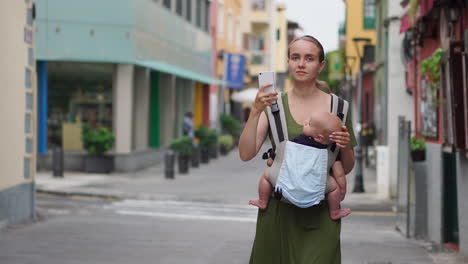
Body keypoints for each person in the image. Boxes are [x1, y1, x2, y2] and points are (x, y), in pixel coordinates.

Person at [239, 35, 356, 263]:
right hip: (278, 214)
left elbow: (347, 166)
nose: (301, 64)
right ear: (289, 62)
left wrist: (346, 145)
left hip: (321, 215)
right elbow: (245, 154)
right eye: (295, 57)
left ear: (321, 66)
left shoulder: (339, 108)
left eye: (309, 58)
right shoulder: (272, 105)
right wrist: (254, 111)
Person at [248, 111, 351, 220]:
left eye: (309, 124)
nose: (305, 122)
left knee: (266, 175)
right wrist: (342, 191)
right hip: (315, 192)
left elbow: (275, 159)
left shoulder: (295, 142)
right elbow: (340, 175)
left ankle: (263, 201)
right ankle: (334, 212)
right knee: (334, 187)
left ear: (319, 137)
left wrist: (270, 161)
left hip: (285, 188)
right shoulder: (330, 153)